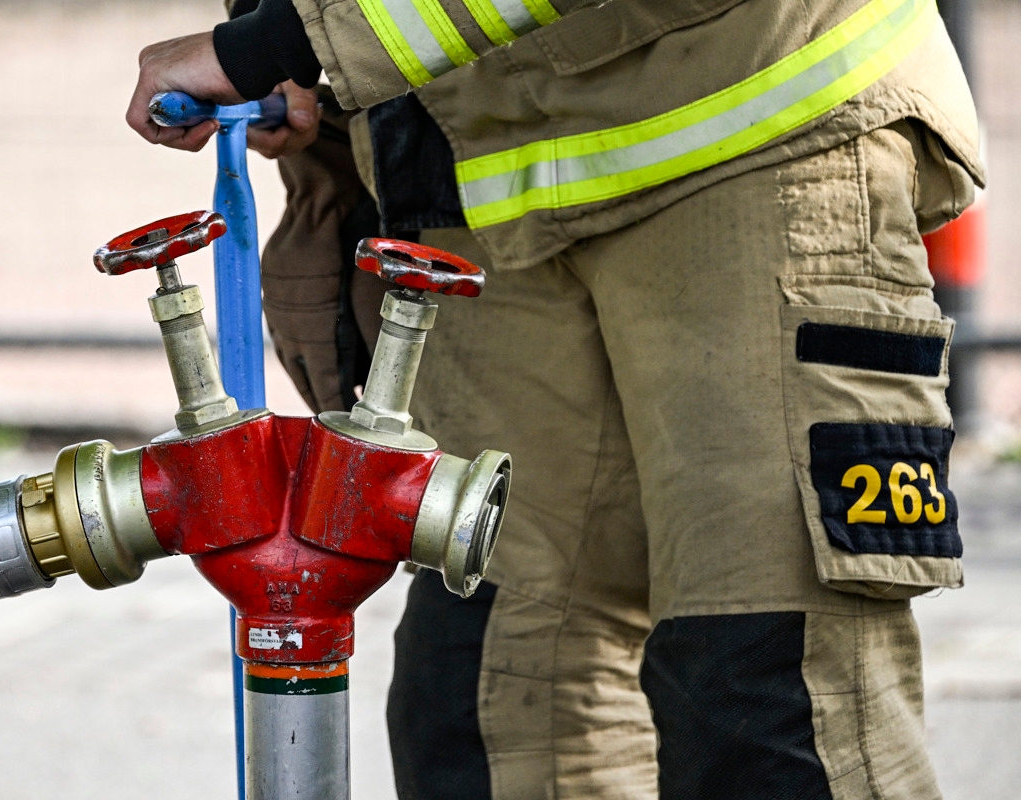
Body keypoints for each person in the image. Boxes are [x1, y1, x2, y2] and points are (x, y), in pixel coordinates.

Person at [125, 0, 983, 797]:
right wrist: (303, 72)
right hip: (489, 181)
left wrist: (281, 41)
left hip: (758, 129)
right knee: (485, 705)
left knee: (763, 694)